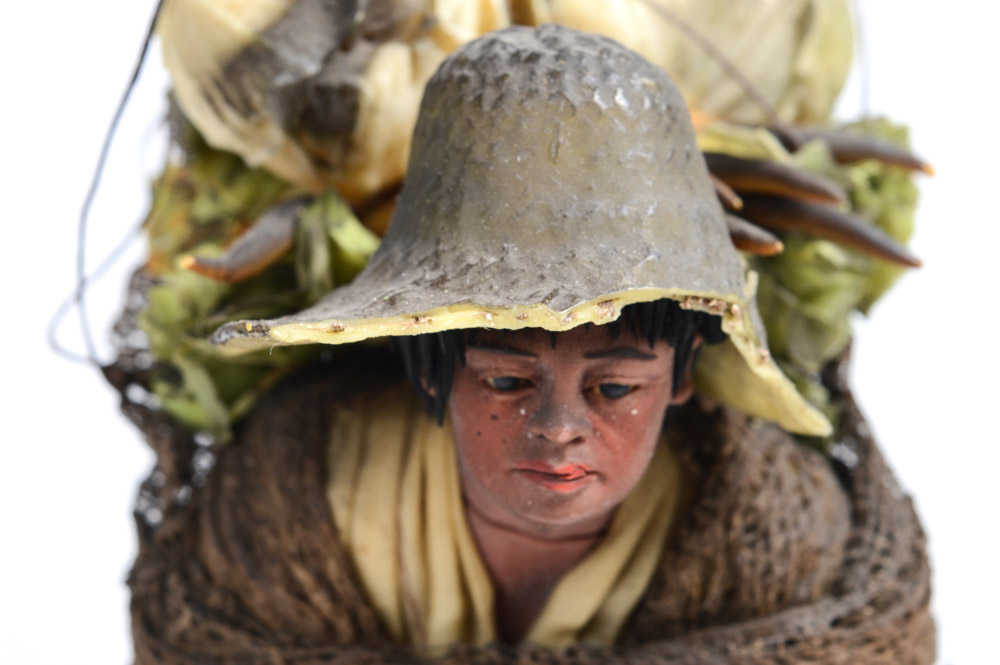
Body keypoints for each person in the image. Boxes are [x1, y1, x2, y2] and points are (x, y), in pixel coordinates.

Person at [126, 25, 933, 664]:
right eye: (508, 381)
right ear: (428, 362)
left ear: (683, 375)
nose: (557, 427)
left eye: (614, 387)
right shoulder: (299, 501)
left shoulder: (775, 544)